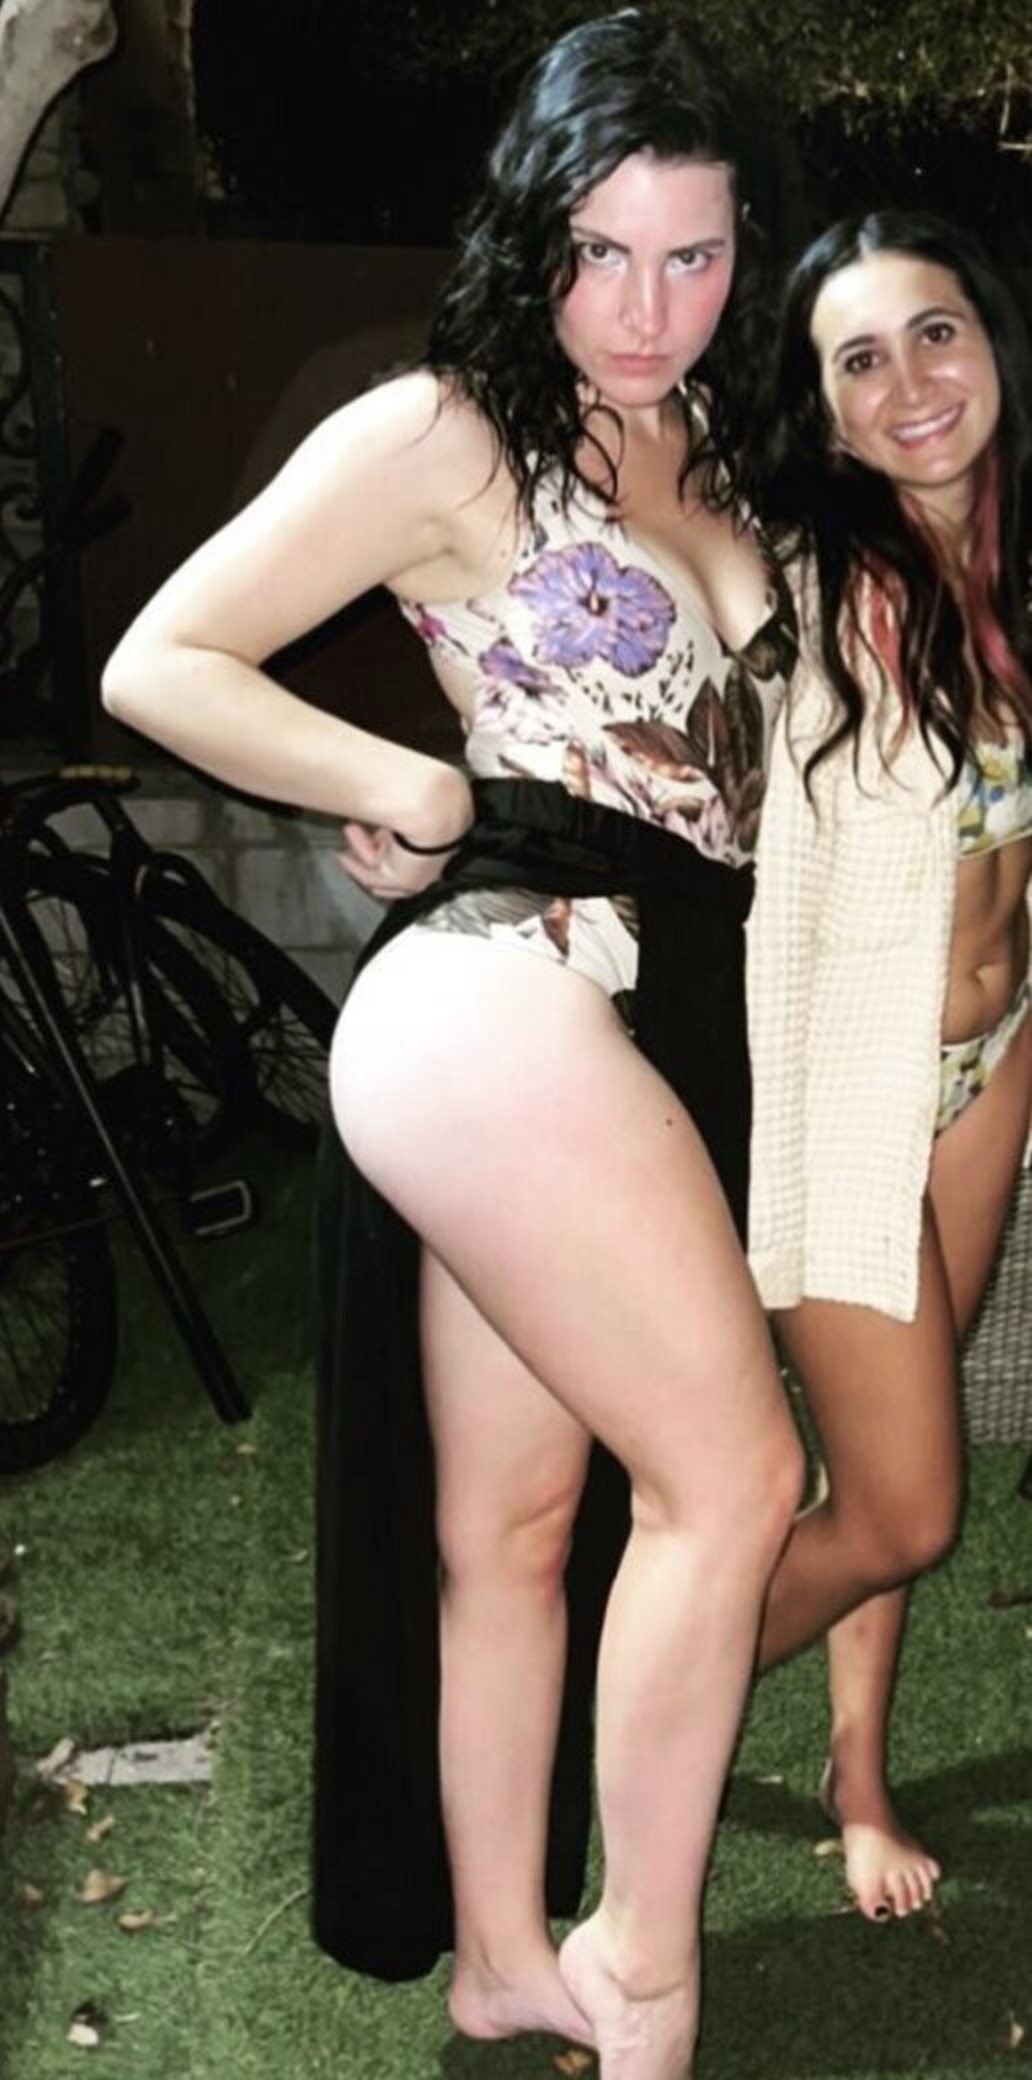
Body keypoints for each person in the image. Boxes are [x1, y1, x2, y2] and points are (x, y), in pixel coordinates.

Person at [103, 13, 804, 2072]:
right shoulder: (445, 431)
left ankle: (501, 1956)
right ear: (532, 230)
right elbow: (162, 656)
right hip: (507, 987)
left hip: (654, 1012)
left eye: (694, 254)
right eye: (603, 251)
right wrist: (394, 781)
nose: (647, 308)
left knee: (514, 1528)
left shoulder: (720, 436)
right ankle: (643, 1973)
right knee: (736, 1476)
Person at [747, 210, 1032, 1924]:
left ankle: (857, 1774)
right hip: (849, 1087)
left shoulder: (1014, 569)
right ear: (826, 410)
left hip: (994, 1067)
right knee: (907, 1508)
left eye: (936, 331)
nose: (911, 381)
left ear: (992, 340)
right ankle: (595, 1698)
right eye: (860, 358)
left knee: (882, 1471)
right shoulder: (808, 582)